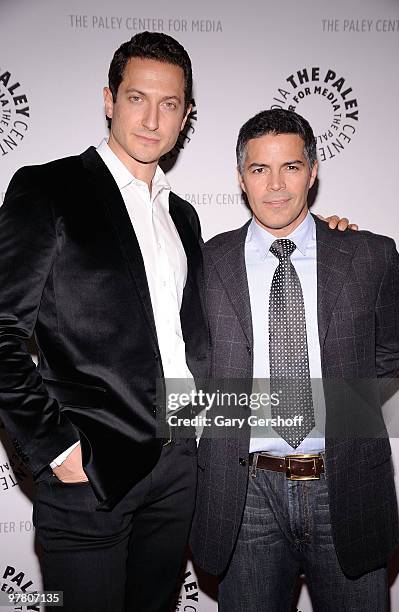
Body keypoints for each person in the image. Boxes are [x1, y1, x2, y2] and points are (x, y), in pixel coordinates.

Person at [0, 31, 353, 611]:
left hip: (179, 472)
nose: (152, 119)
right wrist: (58, 448)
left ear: (186, 116)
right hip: (92, 476)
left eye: (170, 105)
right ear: (109, 99)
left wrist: (330, 241)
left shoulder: (184, 216)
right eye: (137, 98)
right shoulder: (49, 189)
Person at [190, 108, 399, 611]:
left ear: (312, 171)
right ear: (241, 178)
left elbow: (396, 342)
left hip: (346, 485)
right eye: (259, 169)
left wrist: (344, 391)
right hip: (243, 496)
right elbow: (192, 361)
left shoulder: (368, 255)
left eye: (290, 167)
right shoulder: (204, 262)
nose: (276, 185)